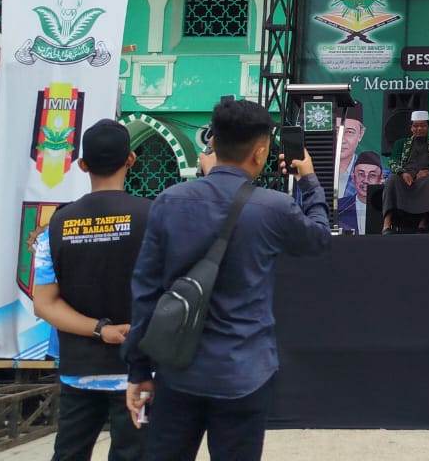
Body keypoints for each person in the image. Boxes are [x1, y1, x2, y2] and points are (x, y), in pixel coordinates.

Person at [124, 98, 330, 461]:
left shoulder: (169, 201)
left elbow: (145, 293)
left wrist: (138, 368)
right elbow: (318, 239)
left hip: (177, 370)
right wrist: (309, 181)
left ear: (213, 143)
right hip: (244, 371)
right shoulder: (274, 208)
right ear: (260, 151)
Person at [33, 119, 150, 461]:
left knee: (68, 453)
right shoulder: (154, 216)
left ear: (82, 164)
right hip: (140, 374)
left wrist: (101, 330)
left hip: (78, 372)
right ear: (131, 159)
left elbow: (44, 303)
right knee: (138, 453)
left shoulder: (56, 225)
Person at [381, 110, 429, 233]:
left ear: (428, 127)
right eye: (416, 126)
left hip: (424, 179)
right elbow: (392, 162)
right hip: (404, 178)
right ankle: (386, 224)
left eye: (423, 125)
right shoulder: (400, 143)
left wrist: (428, 172)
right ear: (411, 128)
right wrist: (402, 173)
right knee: (392, 179)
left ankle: (422, 225)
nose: (419, 129)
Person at [336, 150, 383, 235]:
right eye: (361, 174)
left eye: (372, 175)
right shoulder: (339, 207)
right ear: (353, 176)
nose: (365, 180)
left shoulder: (388, 209)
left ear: (380, 178)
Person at [334, 104, 366, 198]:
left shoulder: (377, 174)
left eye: (349, 132)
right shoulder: (309, 171)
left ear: (361, 134)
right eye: (336, 131)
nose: (341, 140)